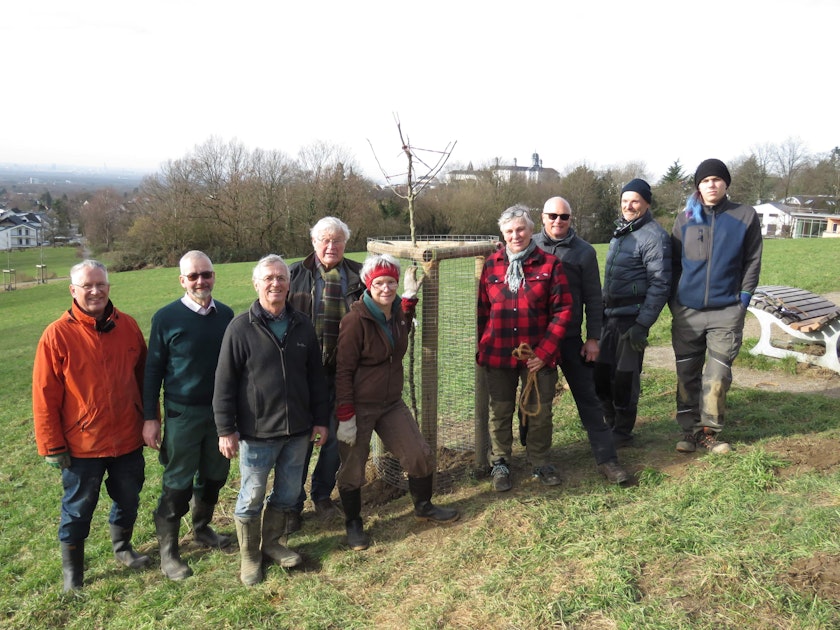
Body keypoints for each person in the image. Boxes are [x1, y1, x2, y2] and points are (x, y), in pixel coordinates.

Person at [33, 259, 150, 592]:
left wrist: (149, 420)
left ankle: (123, 547)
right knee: (78, 509)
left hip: (127, 437)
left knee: (128, 498)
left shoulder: (128, 326)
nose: (95, 291)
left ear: (109, 287)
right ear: (73, 290)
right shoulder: (56, 335)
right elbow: (44, 396)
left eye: (101, 284)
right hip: (82, 444)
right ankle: (73, 573)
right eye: (87, 286)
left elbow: (144, 378)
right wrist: (51, 446)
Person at [213, 254, 329, 586]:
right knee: (251, 496)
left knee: (288, 493)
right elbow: (224, 383)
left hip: (298, 431)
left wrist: (320, 420)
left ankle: (273, 543)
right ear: (256, 284)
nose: (275, 283)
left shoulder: (302, 325)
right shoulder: (239, 328)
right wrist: (225, 429)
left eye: (280, 278)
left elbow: (316, 379)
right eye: (268, 278)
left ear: (289, 284)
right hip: (257, 433)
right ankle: (250, 556)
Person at [334, 254, 459, 551]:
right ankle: (353, 523)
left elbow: (401, 330)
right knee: (352, 468)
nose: (386, 288)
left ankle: (423, 506)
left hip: (391, 403)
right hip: (360, 406)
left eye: (391, 282)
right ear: (369, 284)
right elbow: (343, 370)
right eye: (379, 283)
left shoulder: (395, 315)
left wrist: (410, 299)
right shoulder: (355, 321)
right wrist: (346, 415)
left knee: (418, 454)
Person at [142, 251, 235, 581]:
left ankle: (202, 527)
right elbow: (152, 371)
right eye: (193, 276)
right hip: (182, 414)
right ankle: (168, 551)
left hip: (220, 414)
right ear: (182, 280)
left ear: (214, 276)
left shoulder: (226, 315)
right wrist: (150, 418)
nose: (200, 281)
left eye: (206, 274)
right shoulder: (166, 318)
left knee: (215, 475)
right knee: (178, 481)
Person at [476, 204, 573, 492]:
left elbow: (563, 310)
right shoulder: (492, 266)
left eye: (520, 229)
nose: (515, 235)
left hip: (538, 356)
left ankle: (540, 461)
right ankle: (500, 462)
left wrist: (544, 353)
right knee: (500, 411)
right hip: (498, 353)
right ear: (502, 234)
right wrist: (483, 348)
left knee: (538, 412)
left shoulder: (550, 265)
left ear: (531, 230)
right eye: (509, 231)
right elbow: (483, 311)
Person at [534, 197, 630, 484]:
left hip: (571, 338)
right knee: (535, 398)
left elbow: (593, 299)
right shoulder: (531, 246)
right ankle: (534, 457)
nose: (558, 221)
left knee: (589, 400)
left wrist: (593, 338)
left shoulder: (584, 252)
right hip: (538, 340)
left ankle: (607, 460)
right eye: (553, 215)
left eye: (564, 216)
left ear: (571, 219)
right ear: (543, 217)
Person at [671, 159, 762, 454]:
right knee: (687, 374)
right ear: (698, 186)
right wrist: (676, 302)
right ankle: (689, 431)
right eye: (705, 180)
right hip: (687, 312)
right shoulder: (685, 219)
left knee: (718, 375)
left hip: (726, 311)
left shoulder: (744, 216)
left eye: (717, 179)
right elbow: (673, 264)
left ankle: (709, 432)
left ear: (726, 183)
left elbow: (753, 260)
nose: (711, 184)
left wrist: (743, 299)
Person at [288, 217, 364, 527]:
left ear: (346, 243)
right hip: (303, 375)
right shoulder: (294, 275)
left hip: (342, 374)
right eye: (325, 240)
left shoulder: (359, 276)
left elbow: (384, 309)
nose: (331, 246)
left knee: (334, 440)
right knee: (300, 443)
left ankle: (322, 495)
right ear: (314, 242)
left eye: (338, 240)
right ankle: (291, 504)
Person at [594, 179, 671, 447]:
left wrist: (642, 324)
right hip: (609, 316)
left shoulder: (654, 237)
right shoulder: (621, 232)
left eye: (635, 201)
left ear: (647, 203)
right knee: (601, 372)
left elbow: (660, 284)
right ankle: (609, 422)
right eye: (625, 200)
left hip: (631, 319)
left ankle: (623, 430)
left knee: (624, 378)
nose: (628, 206)